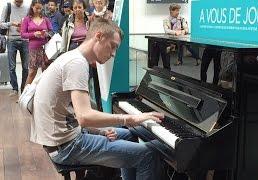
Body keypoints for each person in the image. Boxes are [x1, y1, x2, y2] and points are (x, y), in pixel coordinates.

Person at [31, 18, 164, 180]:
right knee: (148, 154)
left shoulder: (71, 57)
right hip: (67, 147)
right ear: (99, 36)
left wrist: (99, 131)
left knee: (129, 135)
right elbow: (84, 117)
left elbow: (72, 115)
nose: (113, 53)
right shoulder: (77, 64)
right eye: (113, 46)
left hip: (62, 139)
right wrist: (131, 118)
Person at [0, 0, 29, 96]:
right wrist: (11, 23)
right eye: (17, 1)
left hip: (25, 40)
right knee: (12, 67)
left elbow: (30, 23)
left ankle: (24, 87)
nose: (18, 2)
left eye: (20, 1)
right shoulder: (7, 6)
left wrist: (23, 27)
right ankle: (15, 88)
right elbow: (1, 24)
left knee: (26, 67)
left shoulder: (27, 7)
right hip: (11, 40)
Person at [21, 0, 53, 85]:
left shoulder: (45, 19)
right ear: (32, 7)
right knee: (32, 72)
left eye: (40, 8)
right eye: (36, 8)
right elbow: (23, 34)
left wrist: (46, 34)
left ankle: (44, 94)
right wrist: (34, 34)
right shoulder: (27, 19)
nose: (38, 10)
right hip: (33, 49)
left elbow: (51, 32)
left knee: (46, 72)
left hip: (45, 48)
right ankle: (25, 95)